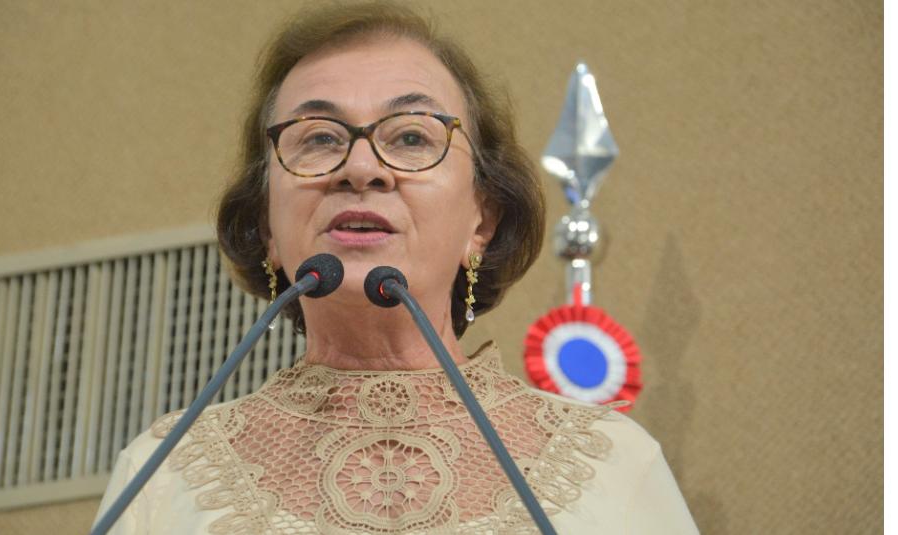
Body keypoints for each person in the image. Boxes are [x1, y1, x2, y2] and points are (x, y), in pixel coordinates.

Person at [95, 3, 699, 533]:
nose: (361, 168)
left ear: (482, 221)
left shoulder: (612, 465)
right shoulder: (163, 474)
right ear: (266, 228)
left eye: (411, 137)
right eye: (319, 138)